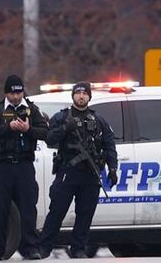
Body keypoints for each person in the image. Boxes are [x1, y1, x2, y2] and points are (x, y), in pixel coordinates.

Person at [38, 82, 118, 259]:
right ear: (73, 96)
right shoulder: (61, 117)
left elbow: (109, 145)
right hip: (68, 172)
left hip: (90, 174)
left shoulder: (99, 120)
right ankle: (44, 248)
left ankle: (78, 249)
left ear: (89, 97)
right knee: (57, 211)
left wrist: (113, 168)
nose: (81, 96)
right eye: (78, 93)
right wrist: (66, 128)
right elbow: (49, 139)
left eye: (84, 93)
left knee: (85, 214)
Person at [0, 74, 48, 261]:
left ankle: (31, 248)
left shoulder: (32, 110)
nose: (16, 97)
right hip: (2, 167)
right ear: (6, 93)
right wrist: (8, 128)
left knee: (28, 208)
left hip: (24, 166)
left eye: (19, 93)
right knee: (0, 209)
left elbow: (45, 132)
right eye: (13, 93)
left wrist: (28, 130)